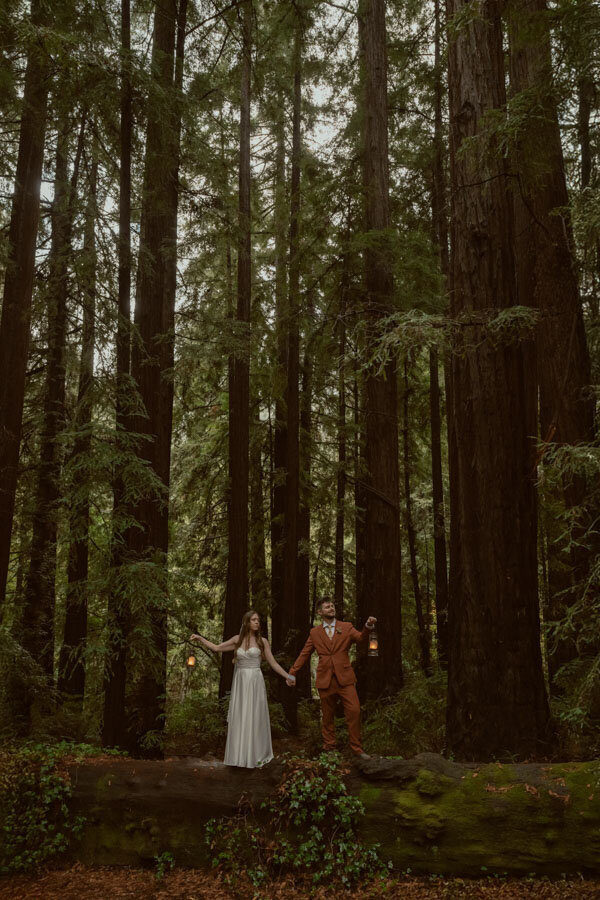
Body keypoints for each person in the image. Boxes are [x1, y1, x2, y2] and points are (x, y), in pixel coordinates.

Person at [191, 611, 294, 768]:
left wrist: (288, 676)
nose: (257, 622)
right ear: (246, 622)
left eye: (258, 620)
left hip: (255, 681)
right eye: (253, 620)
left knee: (255, 715)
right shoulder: (237, 640)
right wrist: (200, 638)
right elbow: (217, 648)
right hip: (241, 682)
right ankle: (239, 757)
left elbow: (273, 663)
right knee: (241, 715)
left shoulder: (262, 642)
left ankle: (255, 757)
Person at [287, 597, 376, 759]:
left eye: (332, 606)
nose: (331, 608)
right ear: (320, 612)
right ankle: (329, 749)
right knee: (327, 716)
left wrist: (368, 626)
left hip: (345, 678)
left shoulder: (346, 627)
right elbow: (305, 654)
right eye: (327, 607)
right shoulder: (314, 633)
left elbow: (362, 639)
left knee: (354, 711)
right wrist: (292, 672)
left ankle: (356, 749)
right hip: (325, 680)